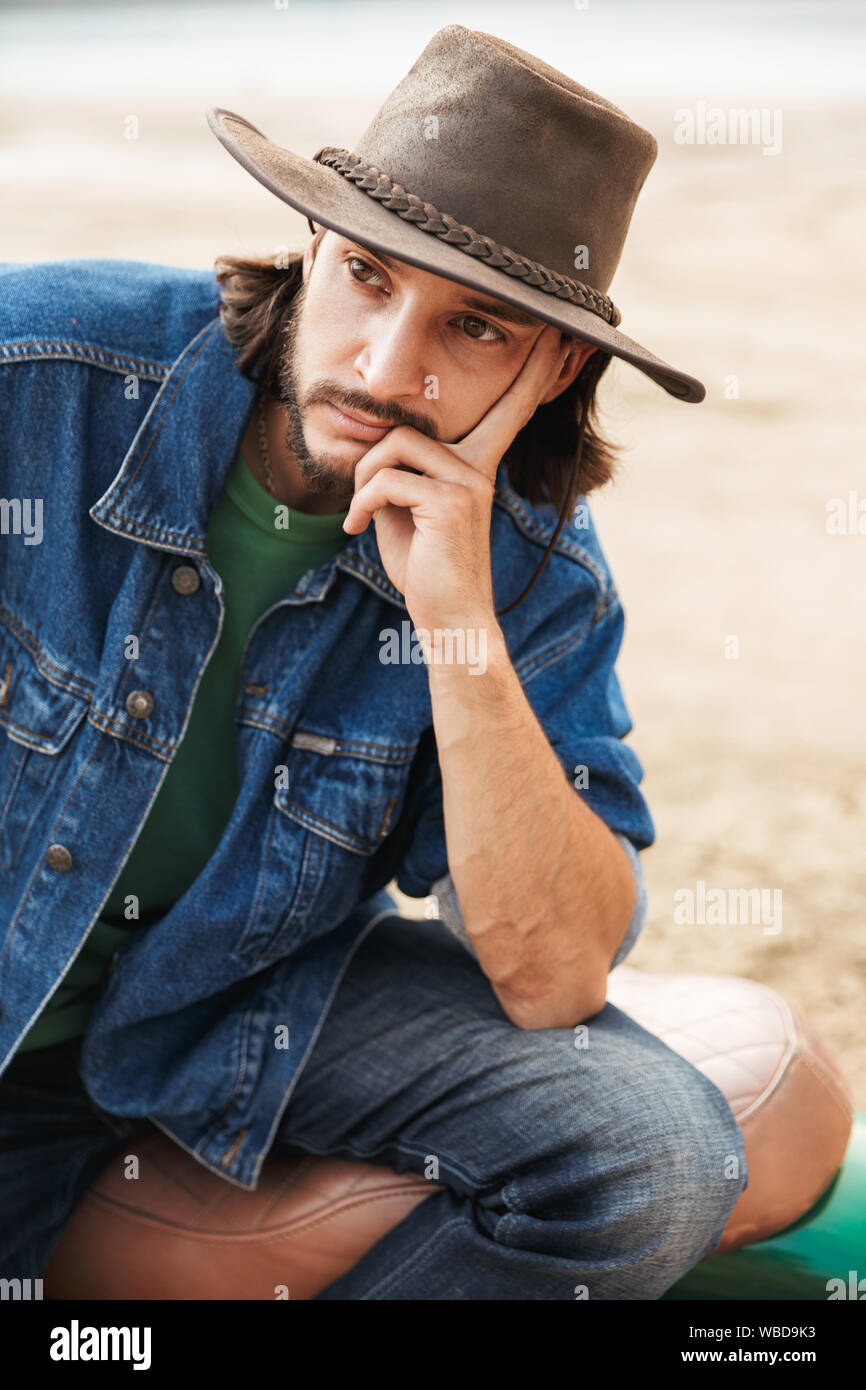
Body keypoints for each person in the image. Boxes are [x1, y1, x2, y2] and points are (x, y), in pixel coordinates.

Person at [0, 25, 746, 1298]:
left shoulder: (530, 571)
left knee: (651, 1153)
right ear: (309, 248)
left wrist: (452, 612)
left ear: (553, 366)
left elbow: (554, 970)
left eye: (475, 327)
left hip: (209, 1023)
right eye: (366, 276)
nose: (387, 368)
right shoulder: (37, 377)